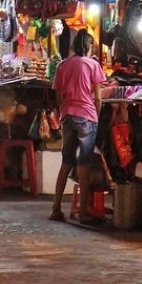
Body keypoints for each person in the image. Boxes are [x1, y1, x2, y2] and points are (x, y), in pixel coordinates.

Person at [50, 29, 107, 224]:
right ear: (90, 46)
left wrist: (63, 110)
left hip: (67, 115)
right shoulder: (93, 65)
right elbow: (98, 97)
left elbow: (57, 95)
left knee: (66, 162)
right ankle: (83, 213)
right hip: (87, 117)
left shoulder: (63, 65)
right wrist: (96, 117)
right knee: (84, 164)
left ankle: (55, 208)